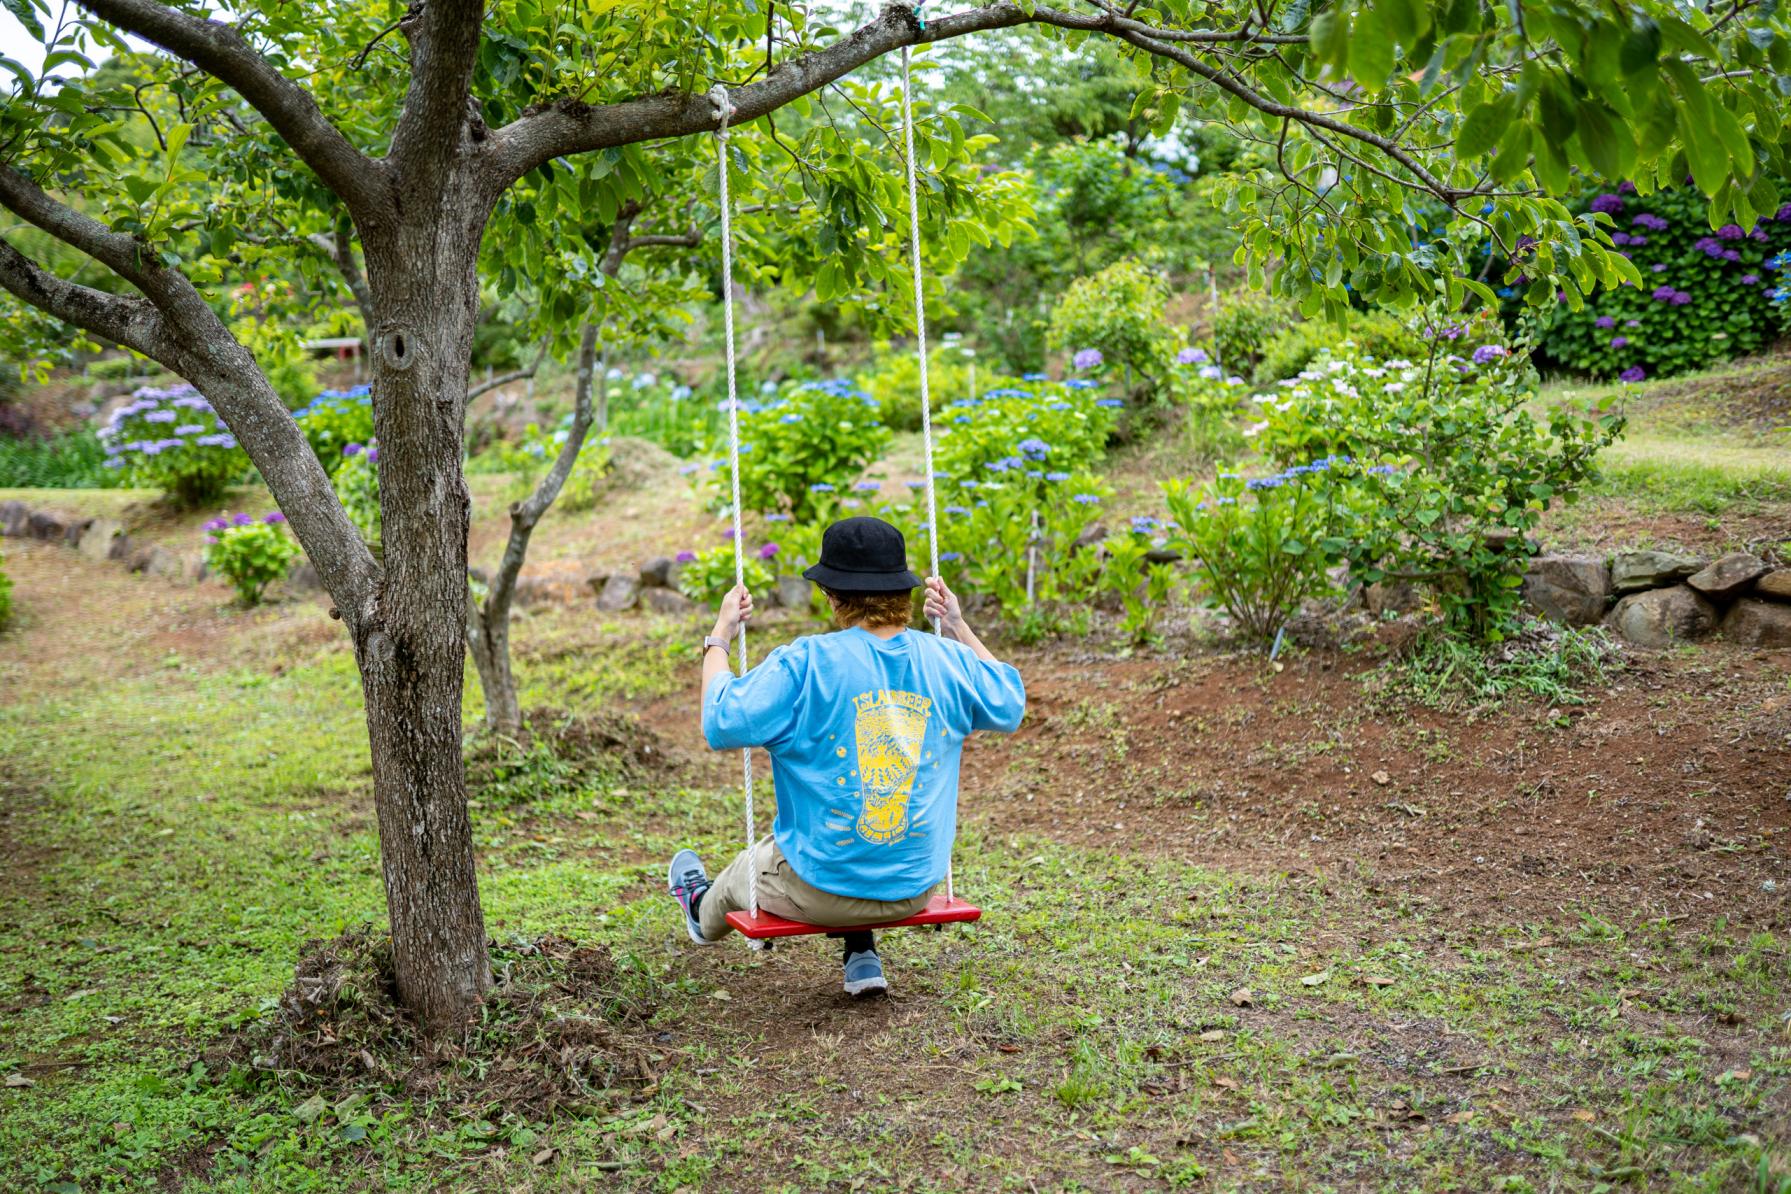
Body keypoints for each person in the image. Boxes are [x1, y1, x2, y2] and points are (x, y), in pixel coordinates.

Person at [667, 515, 1025, 997]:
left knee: (746, 872)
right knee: (857, 817)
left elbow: (720, 721)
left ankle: (696, 911)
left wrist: (719, 638)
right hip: (914, 886)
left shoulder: (805, 663)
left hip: (823, 892)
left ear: (832, 595)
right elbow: (1009, 702)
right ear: (906, 593)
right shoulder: (948, 659)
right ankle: (861, 952)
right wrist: (957, 625)